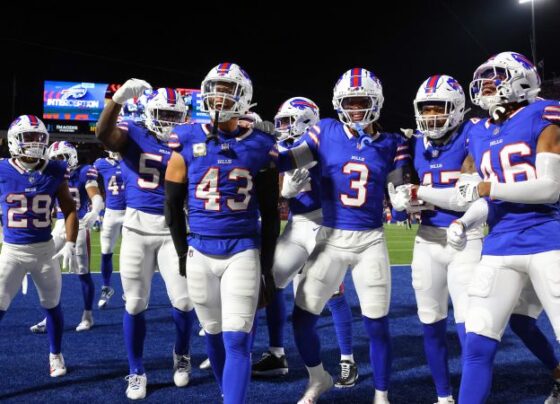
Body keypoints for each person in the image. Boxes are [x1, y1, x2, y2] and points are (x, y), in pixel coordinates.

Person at [278, 68, 411, 404]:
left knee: (377, 325)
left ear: (376, 102)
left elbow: (398, 186)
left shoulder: (393, 143)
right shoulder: (325, 131)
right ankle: (318, 377)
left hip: (370, 242)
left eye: (361, 101)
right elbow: (289, 158)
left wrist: (401, 200)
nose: (355, 109)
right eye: (349, 102)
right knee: (302, 319)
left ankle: (381, 395)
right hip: (331, 239)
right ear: (339, 103)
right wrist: (265, 161)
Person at [446, 51, 560, 404]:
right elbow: (487, 198)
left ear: (521, 80)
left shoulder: (543, 114)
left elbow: (550, 188)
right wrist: (465, 218)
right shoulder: (481, 133)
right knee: (478, 342)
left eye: (495, 78)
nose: (486, 86)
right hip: (500, 245)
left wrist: (486, 187)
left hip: (548, 240)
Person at [165, 62, 280, 404]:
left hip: (243, 250)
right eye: (214, 87)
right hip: (199, 250)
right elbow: (171, 207)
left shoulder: (261, 144)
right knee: (213, 334)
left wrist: (267, 267)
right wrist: (182, 253)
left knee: (237, 339)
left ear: (243, 96)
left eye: (227, 89)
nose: (218, 96)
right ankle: (226, 392)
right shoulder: (185, 137)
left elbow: (271, 213)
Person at [96, 82, 195, 400]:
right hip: (137, 229)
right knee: (136, 303)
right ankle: (137, 369)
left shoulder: (188, 138)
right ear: (149, 114)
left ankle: (181, 353)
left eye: (174, 115)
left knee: (183, 302)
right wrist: (116, 101)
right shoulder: (131, 131)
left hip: (173, 231)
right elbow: (102, 134)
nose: (169, 121)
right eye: (163, 114)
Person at [251, 96, 358, 388]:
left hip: (327, 225)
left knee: (334, 295)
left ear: (307, 120)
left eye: (288, 121)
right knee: (268, 283)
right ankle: (276, 354)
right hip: (298, 226)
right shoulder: (285, 148)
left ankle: (347, 360)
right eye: (281, 122)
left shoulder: (325, 144)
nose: (283, 127)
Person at [390, 75, 481, 403]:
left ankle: (472, 394)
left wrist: (417, 192)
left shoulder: (473, 134)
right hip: (427, 241)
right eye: (425, 109)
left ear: (456, 109)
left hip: (465, 238)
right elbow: (401, 187)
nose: (431, 116)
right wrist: (402, 203)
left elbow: (466, 197)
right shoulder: (413, 143)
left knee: (470, 326)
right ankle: (444, 397)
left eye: (438, 109)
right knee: (431, 322)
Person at [0, 115, 78, 377]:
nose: (34, 143)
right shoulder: (2, 169)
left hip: (45, 251)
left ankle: (55, 354)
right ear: (14, 141)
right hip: (12, 251)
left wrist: (70, 241)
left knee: (52, 304)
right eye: (28, 137)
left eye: (39, 137)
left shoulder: (55, 169)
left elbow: (69, 209)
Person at [30, 141, 104, 332]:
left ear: (71, 156)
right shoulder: (51, 174)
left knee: (82, 273)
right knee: (45, 268)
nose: (58, 162)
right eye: (54, 159)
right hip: (57, 227)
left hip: (78, 227)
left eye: (61, 158)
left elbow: (93, 192)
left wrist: (96, 208)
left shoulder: (84, 171)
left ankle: (87, 316)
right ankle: (50, 318)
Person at [93, 150, 125, 308]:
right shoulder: (101, 163)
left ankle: (131, 290)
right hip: (111, 213)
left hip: (131, 212)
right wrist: (96, 211)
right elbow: (90, 185)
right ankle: (106, 288)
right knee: (106, 251)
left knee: (132, 254)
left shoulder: (132, 159)